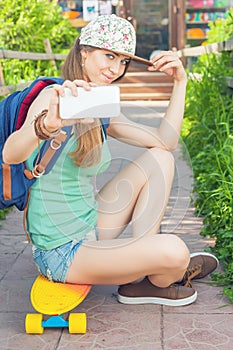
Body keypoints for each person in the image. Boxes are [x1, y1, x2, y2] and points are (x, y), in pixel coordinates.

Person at [3, 14, 218, 306]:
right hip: (61, 251)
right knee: (177, 252)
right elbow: (10, 152)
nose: (116, 68)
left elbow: (164, 141)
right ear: (83, 52)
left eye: (123, 61)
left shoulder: (100, 105)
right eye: (109, 56)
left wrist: (179, 83)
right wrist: (46, 126)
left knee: (160, 159)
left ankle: (140, 279)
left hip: (91, 222)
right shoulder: (52, 97)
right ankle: (161, 270)